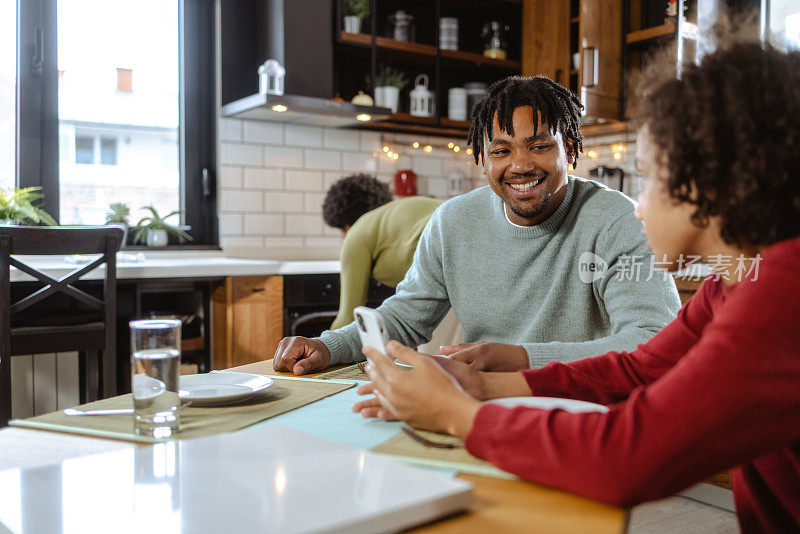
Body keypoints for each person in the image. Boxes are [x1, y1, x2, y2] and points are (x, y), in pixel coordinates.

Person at [356, 35, 800, 532]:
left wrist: (457, 414)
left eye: (649, 176)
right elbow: (638, 371)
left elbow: (625, 456)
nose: (641, 203)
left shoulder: (784, 298)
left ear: (711, 180)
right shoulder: (736, 284)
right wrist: (481, 385)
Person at [274, 75, 681, 376]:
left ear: (570, 150)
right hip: (482, 402)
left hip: (587, 409)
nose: (520, 165)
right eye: (501, 150)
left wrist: (521, 358)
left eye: (539, 146)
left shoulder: (618, 221)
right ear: (483, 161)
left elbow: (654, 342)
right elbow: (404, 318)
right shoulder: (452, 221)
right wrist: (328, 346)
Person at [321, 174, 442, 331]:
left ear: (346, 225)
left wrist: (322, 346)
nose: (343, 238)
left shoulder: (356, 235)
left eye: (342, 231)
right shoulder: (398, 213)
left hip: (446, 273)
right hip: (469, 255)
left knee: (440, 352)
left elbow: (347, 318)